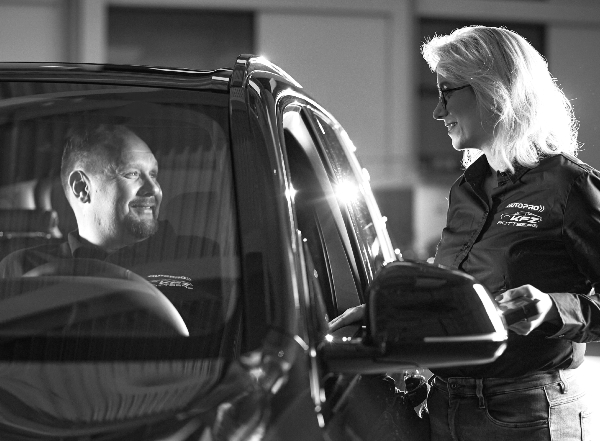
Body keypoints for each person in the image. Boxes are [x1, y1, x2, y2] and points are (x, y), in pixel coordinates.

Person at [419, 25, 599, 441]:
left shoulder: (570, 186)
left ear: (494, 90)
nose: (438, 112)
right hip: (445, 405)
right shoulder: (465, 190)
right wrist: (385, 310)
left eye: (446, 93)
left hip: (527, 412)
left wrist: (552, 308)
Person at [0, 124, 212, 292]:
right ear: (82, 187)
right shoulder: (21, 268)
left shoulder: (197, 256)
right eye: (132, 174)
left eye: (153, 174)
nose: (154, 189)